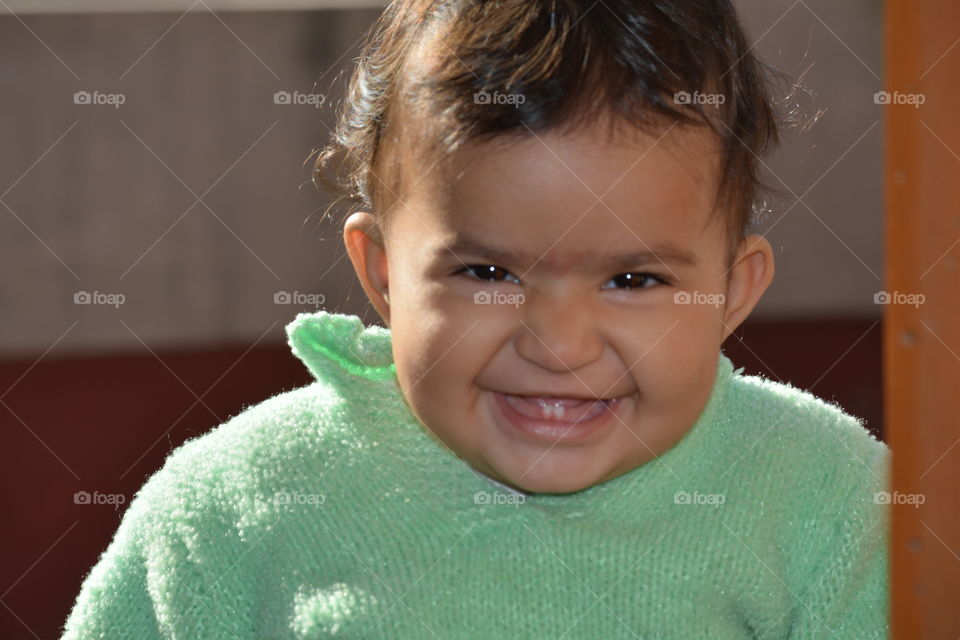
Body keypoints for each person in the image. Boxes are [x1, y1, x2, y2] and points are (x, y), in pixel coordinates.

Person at [61, 0, 889, 637]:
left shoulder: (827, 500)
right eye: (487, 273)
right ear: (383, 274)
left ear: (733, 291)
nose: (559, 347)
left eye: (633, 279)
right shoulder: (236, 506)